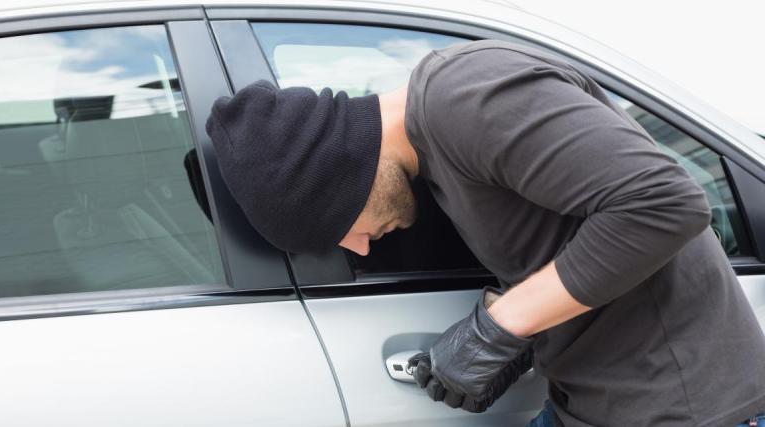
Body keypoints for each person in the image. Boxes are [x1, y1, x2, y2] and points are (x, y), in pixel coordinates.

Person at [204, 39, 765, 426]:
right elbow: (562, 236)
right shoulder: (439, 153)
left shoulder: (468, 95)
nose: (357, 247)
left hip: (685, 409)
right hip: (592, 406)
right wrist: (517, 340)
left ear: (341, 181)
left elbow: (663, 202)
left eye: (337, 231)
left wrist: (498, 328)